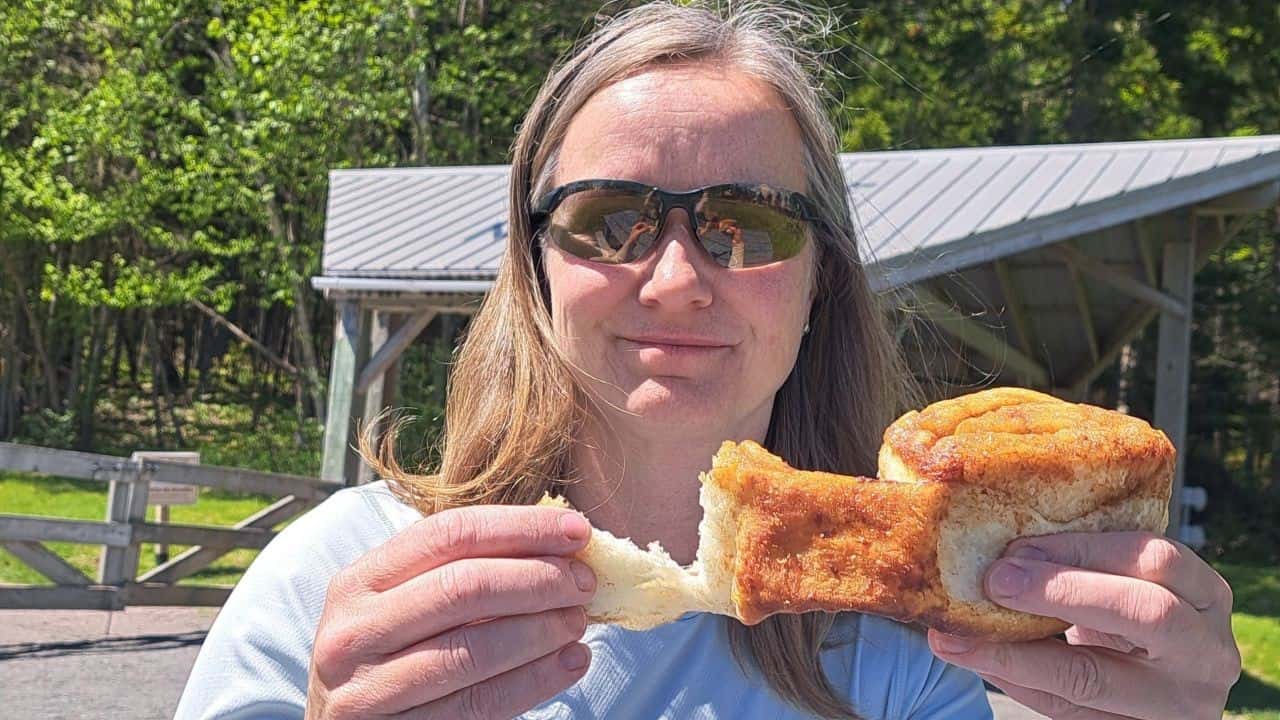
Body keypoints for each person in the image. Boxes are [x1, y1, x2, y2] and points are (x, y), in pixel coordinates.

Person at [175, 3, 1241, 718]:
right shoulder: (337, 590)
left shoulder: (901, 650)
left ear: (821, 276)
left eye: (745, 222)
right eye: (607, 220)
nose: (678, 278)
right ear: (535, 266)